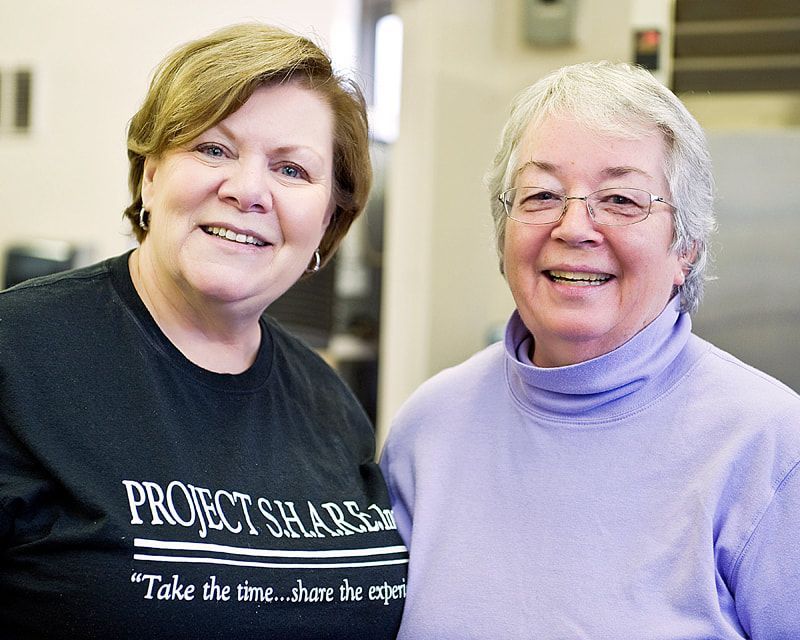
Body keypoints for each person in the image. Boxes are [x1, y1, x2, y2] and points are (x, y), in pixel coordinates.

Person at [0, 24, 407, 639]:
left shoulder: (329, 403)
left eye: (292, 169)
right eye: (213, 149)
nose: (247, 191)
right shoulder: (17, 355)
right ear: (151, 174)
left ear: (328, 220)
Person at [380, 61, 800, 639]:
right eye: (542, 194)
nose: (575, 227)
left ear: (687, 250)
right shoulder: (427, 428)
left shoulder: (770, 447)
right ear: (503, 233)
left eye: (622, 200)